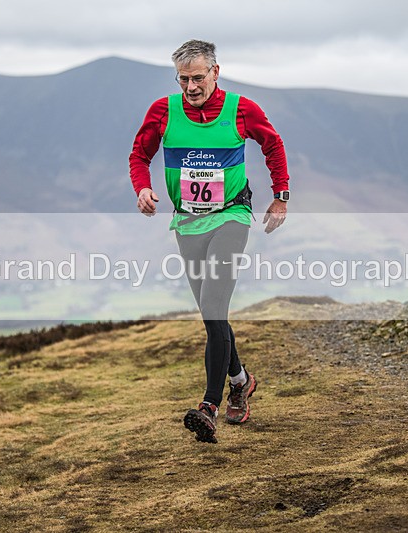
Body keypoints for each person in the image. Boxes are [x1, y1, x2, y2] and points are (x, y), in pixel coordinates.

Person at [129, 39, 290, 443]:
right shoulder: (163, 111)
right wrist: (142, 189)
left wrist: (281, 196)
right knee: (210, 312)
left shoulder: (242, 110)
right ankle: (240, 380)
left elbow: (273, 144)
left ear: (216, 73)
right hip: (187, 222)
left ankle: (209, 406)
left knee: (215, 304)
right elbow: (139, 155)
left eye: (198, 78)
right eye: (183, 79)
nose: (191, 87)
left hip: (231, 215)